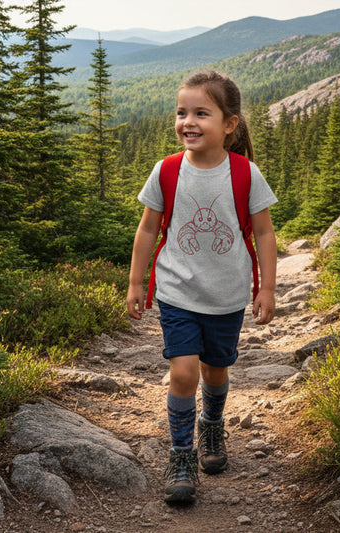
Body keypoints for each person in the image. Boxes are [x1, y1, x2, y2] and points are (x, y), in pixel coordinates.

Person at [126, 70, 277, 504]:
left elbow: (264, 234)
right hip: (178, 294)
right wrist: (137, 281)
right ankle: (181, 454)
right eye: (181, 112)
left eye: (200, 113)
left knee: (215, 369)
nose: (187, 122)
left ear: (229, 124)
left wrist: (266, 288)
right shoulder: (167, 170)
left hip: (227, 295)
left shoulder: (245, 173)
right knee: (184, 371)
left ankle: (211, 427)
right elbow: (148, 228)